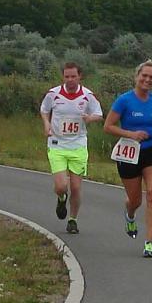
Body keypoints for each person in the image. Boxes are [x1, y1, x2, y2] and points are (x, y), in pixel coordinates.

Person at [103, 60, 152, 258]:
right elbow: (108, 126)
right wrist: (131, 134)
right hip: (129, 153)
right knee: (135, 200)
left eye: (151, 77)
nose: (147, 80)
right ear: (137, 76)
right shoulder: (124, 100)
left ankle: (149, 244)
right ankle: (130, 214)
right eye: (144, 76)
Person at [40, 62, 103, 234]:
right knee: (61, 186)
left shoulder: (87, 95)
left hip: (78, 145)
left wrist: (90, 118)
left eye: (73, 76)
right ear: (63, 77)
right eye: (66, 76)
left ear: (79, 76)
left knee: (75, 187)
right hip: (57, 145)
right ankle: (61, 198)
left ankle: (73, 220)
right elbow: (44, 110)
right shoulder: (53, 94)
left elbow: (99, 114)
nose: (70, 80)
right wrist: (46, 123)